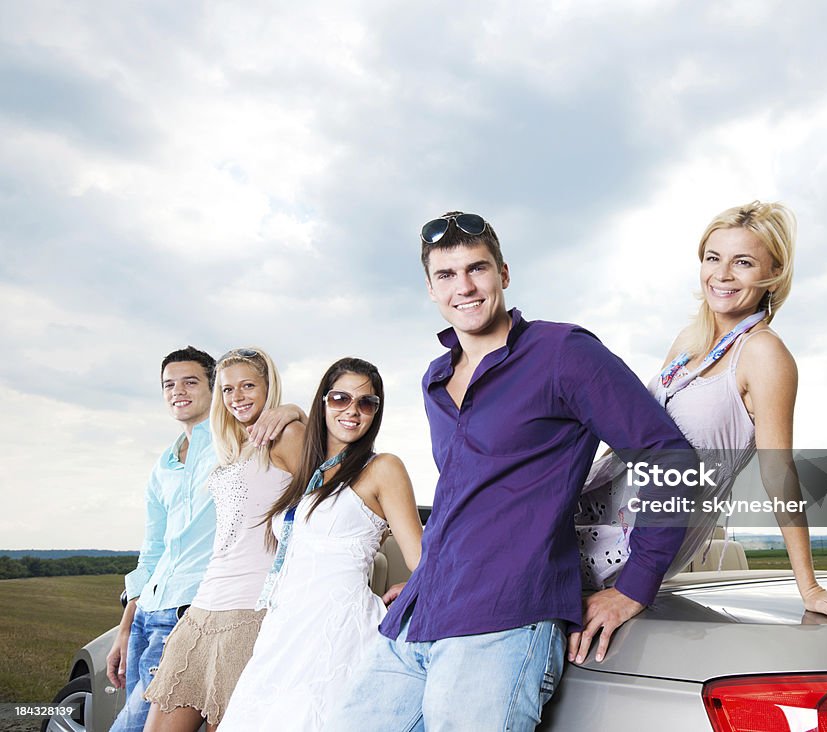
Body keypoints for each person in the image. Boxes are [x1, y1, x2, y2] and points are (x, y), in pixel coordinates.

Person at [328, 212, 700, 731]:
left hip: (505, 619)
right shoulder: (435, 379)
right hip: (420, 616)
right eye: (446, 275)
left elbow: (670, 456)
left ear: (503, 273)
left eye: (476, 269)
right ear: (431, 289)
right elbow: (470, 496)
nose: (464, 286)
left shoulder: (562, 353)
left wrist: (636, 585)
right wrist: (425, 576)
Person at [577, 201, 827, 620]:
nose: (723, 274)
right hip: (593, 501)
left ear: (773, 275)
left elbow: (778, 472)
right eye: (713, 258)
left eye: (743, 262)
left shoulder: (763, 354)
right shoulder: (687, 342)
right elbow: (635, 437)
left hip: (637, 542)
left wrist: (811, 588)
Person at [218, 357, 422, 731]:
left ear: (377, 411)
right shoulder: (309, 470)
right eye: (340, 398)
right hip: (285, 626)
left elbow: (421, 558)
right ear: (323, 401)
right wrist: (293, 411)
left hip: (338, 629)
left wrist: (414, 586)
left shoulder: (383, 468)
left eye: (366, 403)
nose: (352, 410)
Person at [106, 347, 301, 732]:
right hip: (178, 612)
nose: (178, 391)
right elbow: (154, 551)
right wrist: (127, 622)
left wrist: (294, 411)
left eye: (190, 382)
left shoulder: (271, 434)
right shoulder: (180, 460)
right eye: (168, 385)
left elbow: (322, 480)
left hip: (230, 608)